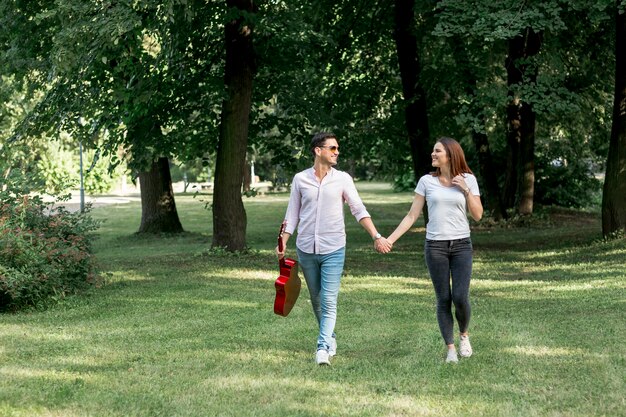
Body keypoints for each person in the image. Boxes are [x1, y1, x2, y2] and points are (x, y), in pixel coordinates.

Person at [276, 132, 392, 366]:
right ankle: (330, 337)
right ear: (318, 151)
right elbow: (293, 213)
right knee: (317, 299)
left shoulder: (343, 179)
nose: (337, 152)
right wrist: (283, 239)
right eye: (332, 148)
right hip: (306, 248)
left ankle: (322, 348)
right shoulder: (300, 179)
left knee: (328, 300)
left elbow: (358, 209)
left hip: (334, 248)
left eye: (337, 148)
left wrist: (376, 236)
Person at [384, 137, 483, 363]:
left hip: (461, 245)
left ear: (450, 154)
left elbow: (477, 215)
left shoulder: (468, 179)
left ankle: (464, 335)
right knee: (443, 298)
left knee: (460, 296)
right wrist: (390, 239)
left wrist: (466, 190)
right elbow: (412, 215)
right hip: (435, 246)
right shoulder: (426, 182)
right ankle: (450, 349)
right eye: (433, 151)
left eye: (437, 151)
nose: (433, 154)